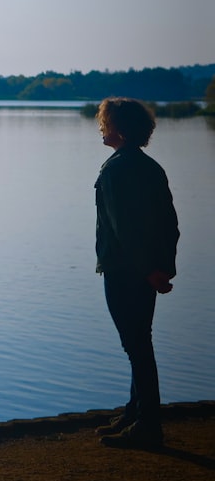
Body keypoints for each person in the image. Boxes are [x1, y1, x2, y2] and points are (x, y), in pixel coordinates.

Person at [93, 97, 179, 448]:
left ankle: (148, 427)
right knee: (140, 341)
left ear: (120, 129)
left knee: (137, 346)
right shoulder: (150, 167)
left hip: (124, 270)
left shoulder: (114, 170)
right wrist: (162, 269)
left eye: (105, 121)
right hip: (147, 270)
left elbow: (124, 228)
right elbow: (169, 224)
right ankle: (135, 412)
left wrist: (147, 271)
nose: (101, 126)